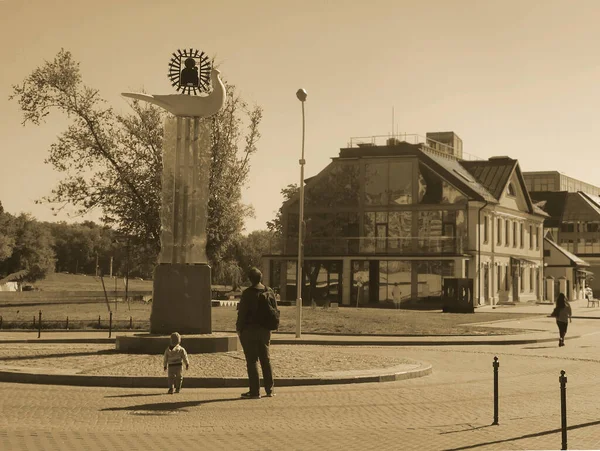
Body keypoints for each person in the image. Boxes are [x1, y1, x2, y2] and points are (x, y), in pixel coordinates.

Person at [236, 267, 276, 399]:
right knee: (266, 359)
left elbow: (242, 313)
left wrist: (239, 329)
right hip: (265, 330)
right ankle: (269, 390)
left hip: (250, 330)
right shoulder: (269, 291)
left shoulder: (247, 293)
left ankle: (254, 391)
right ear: (261, 278)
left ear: (250, 279)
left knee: (252, 360)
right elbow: (274, 310)